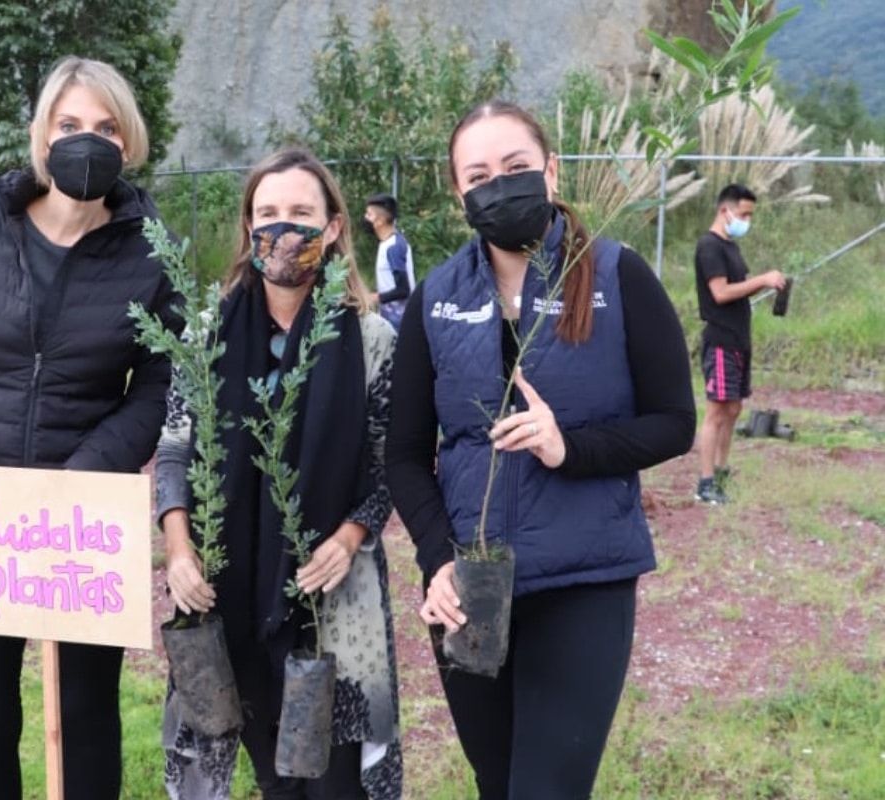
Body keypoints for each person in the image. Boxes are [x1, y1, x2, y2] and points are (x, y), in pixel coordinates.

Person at [385, 101, 696, 798]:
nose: (500, 185)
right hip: (472, 587)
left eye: (517, 167)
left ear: (552, 172)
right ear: (458, 192)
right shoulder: (436, 298)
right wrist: (438, 561)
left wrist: (569, 448)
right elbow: (404, 453)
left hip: (582, 581)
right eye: (480, 174)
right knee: (496, 782)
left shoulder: (617, 275)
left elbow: (675, 421)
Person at [0, 57, 182, 800]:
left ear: (131, 141)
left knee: (86, 713)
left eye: (106, 127)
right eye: (70, 125)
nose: (88, 140)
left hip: (83, 520)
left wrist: (93, 467)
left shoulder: (152, 247)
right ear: (41, 135)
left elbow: (164, 378)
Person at [156, 148, 403, 799]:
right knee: (274, 776)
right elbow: (175, 451)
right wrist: (179, 549)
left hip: (336, 596)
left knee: (337, 784)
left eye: (300, 213)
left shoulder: (372, 340)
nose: (283, 230)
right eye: (267, 214)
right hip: (229, 587)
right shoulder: (206, 336)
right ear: (247, 228)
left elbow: (390, 467)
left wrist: (349, 537)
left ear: (334, 228)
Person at [693, 183, 787, 505]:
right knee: (717, 411)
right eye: (743, 214)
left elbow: (736, 288)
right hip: (720, 339)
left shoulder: (730, 246)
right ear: (725, 210)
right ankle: (705, 483)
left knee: (733, 409)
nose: (746, 220)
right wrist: (761, 280)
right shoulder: (710, 247)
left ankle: (721, 472)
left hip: (738, 339)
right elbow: (720, 293)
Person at [360, 193, 416, 330]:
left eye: (369, 215)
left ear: (380, 221)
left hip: (400, 321)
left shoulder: (393, 247)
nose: (365, 218)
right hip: (391, 317)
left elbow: (403, 290)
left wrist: (374, 297)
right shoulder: (387, 243)